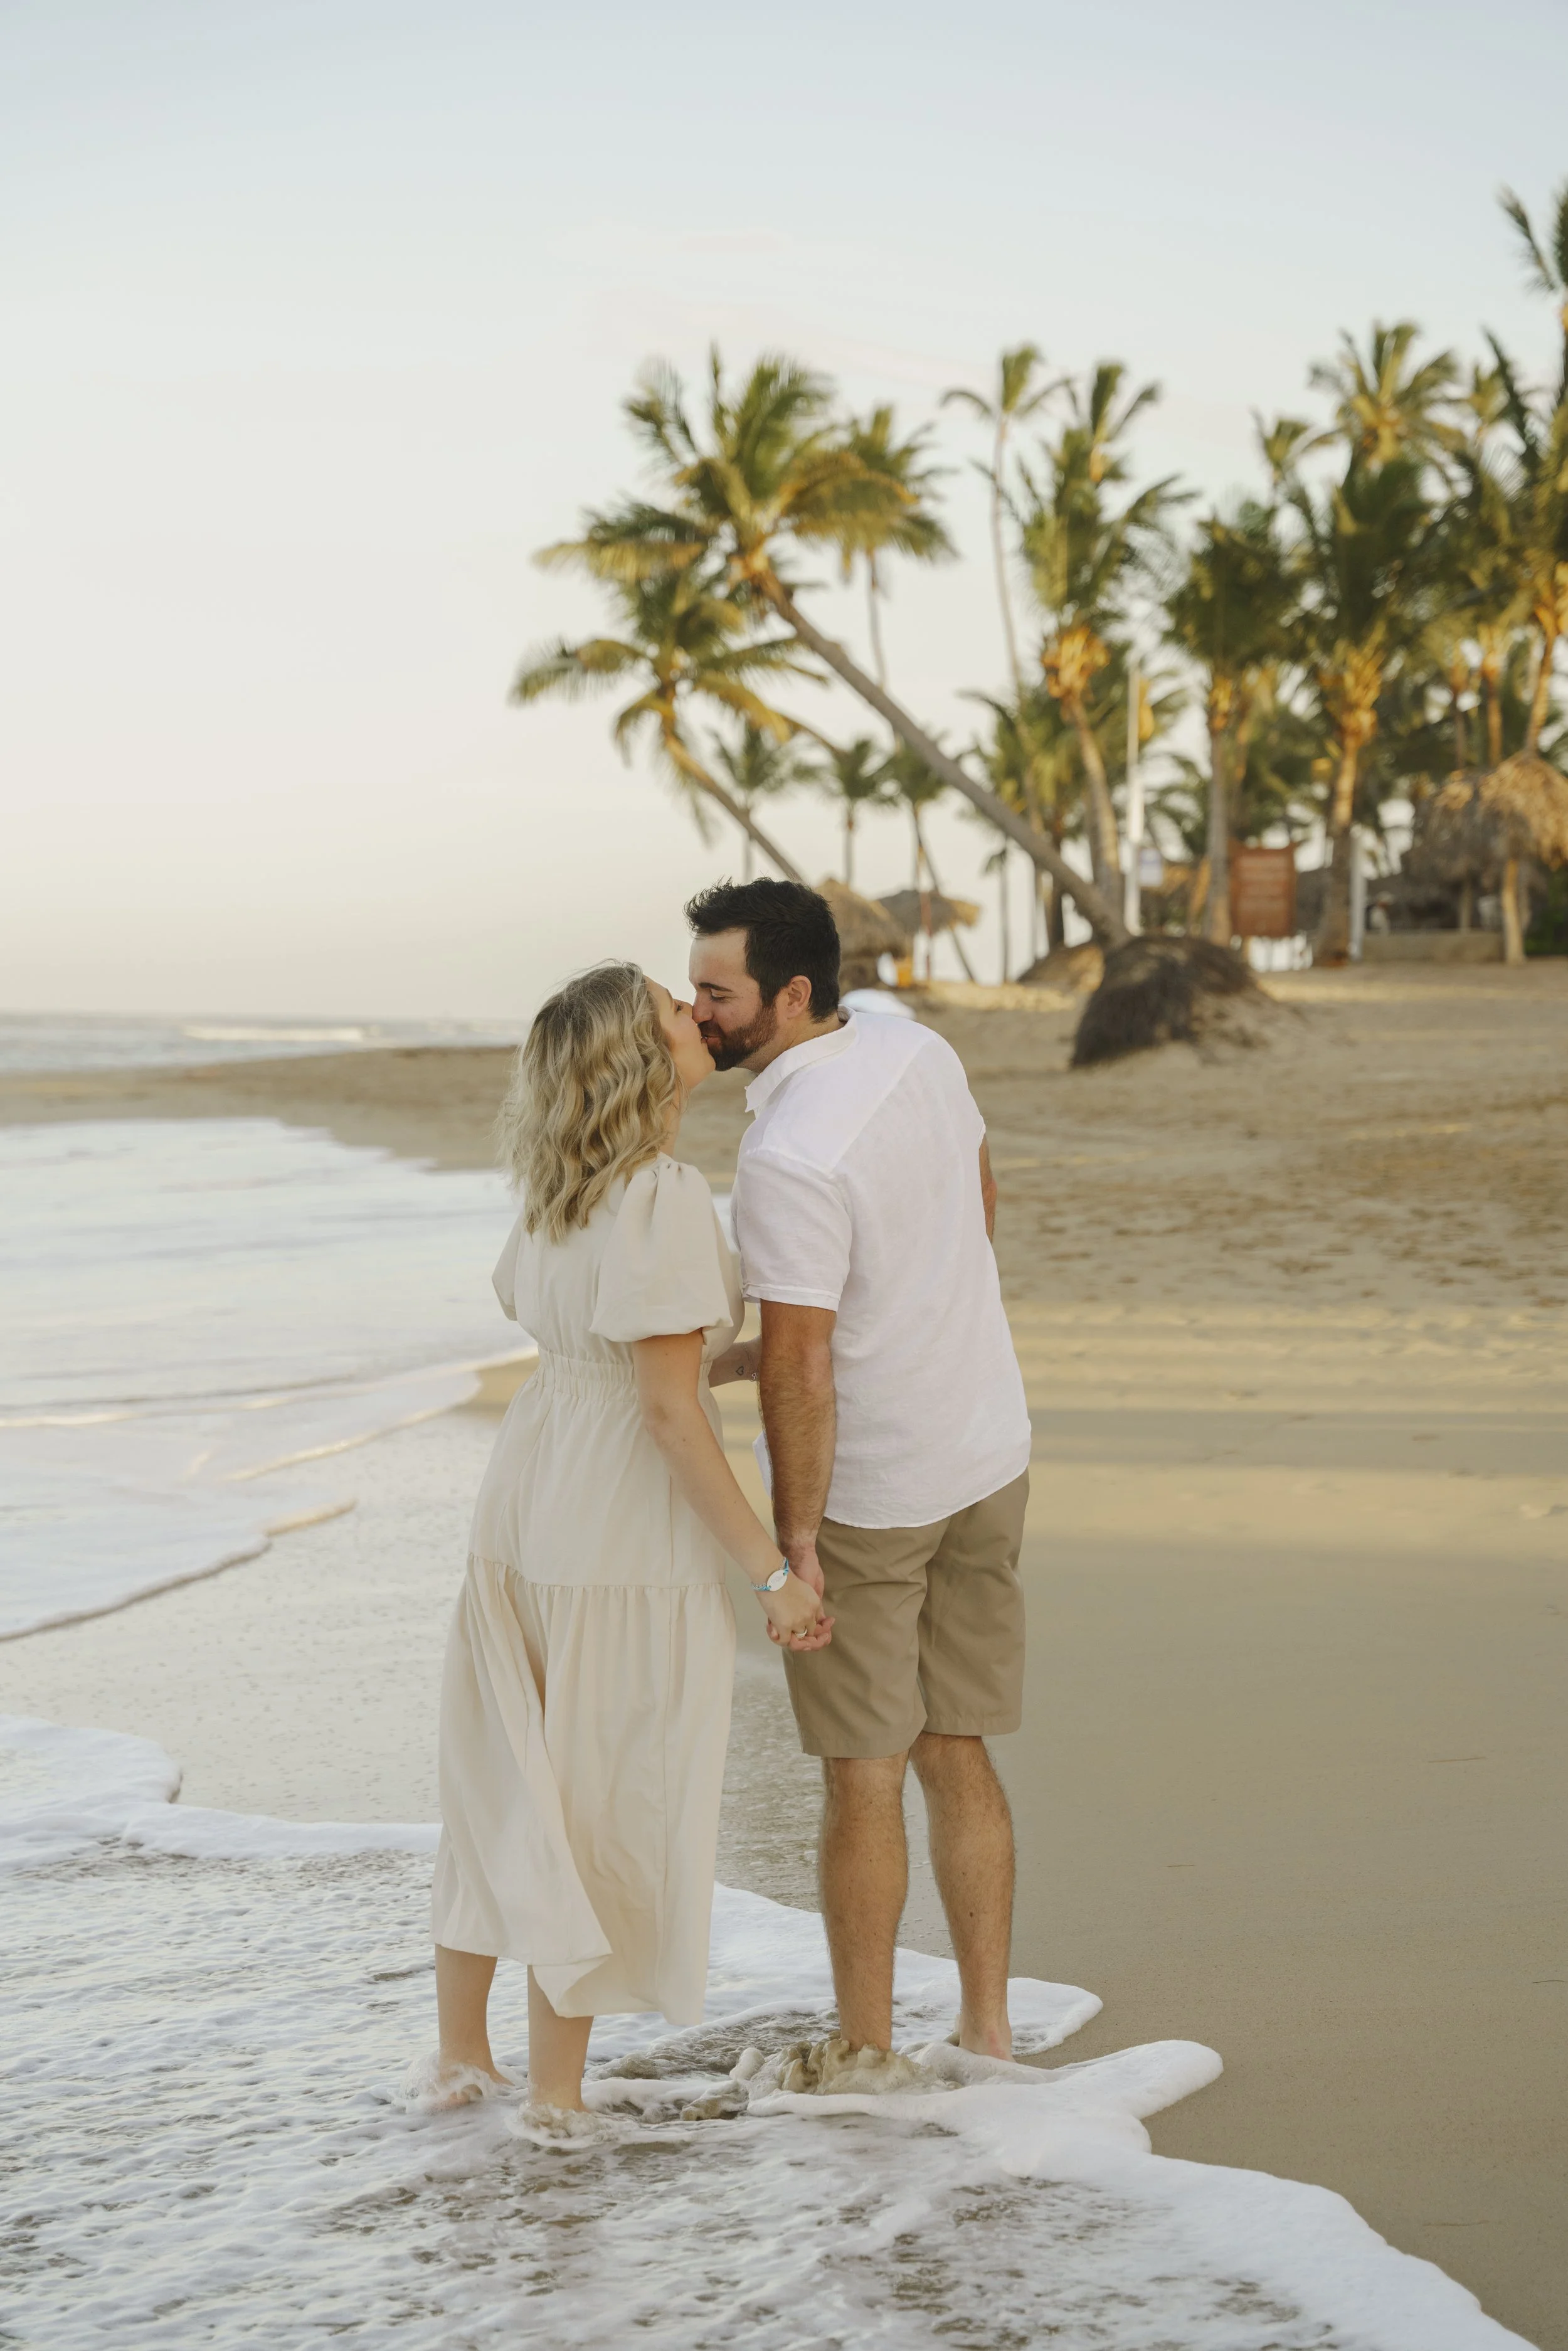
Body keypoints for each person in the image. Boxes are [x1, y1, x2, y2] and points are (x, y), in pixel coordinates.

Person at [416, 961, 828, 2120]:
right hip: (613, 1530)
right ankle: (557, 2102)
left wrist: (722, 1360)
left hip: (528, 1498)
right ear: (638, 1060)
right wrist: (773, 1574)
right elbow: (661, 1411)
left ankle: (461, 2064)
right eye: (672, 1010)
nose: (699, 1016)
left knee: (506, 1784)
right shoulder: (660, 1194)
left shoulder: (557, 1191)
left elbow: (611, 1354)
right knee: (596, 1800)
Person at [687, 879, 1032, 2073]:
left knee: (864, 1776)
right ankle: (987, 2035)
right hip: (987, 1446)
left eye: (718, 993)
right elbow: (974, 1203)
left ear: (791, 993)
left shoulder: (788, 1152)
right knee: (958, 1747)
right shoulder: (910, 1043)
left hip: (876, 1494)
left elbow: (803, 1370)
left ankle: (870, 2054)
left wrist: (798, 1546)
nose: (698, 1013)